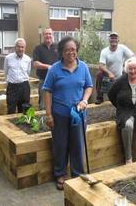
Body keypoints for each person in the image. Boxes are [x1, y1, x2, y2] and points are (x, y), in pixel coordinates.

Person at [43, 36, 93, 190]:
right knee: (60, 145)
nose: (71, 52)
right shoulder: (54, 69)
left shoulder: (83, 67)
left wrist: (84, 100)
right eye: (67, 50)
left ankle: (77, 174)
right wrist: (49, 114)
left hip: (78, 115)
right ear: (62, 52)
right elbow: (47, 91)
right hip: (59, 115)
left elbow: (89, 86)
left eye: (73, 49)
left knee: (78, 146)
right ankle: (60, 174)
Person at [95, 32, 134, 104]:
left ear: (118, 40)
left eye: (115, 38)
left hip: (119, 75)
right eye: (112, 38)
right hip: (108, 76)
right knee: (99, 74)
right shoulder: (104, 51)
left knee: (130, 75)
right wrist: (109, 73)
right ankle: (99, 97)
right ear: (109, 40)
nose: (114, 40)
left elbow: (132, 57)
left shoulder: (122, 48)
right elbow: (101, 65)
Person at [33, 28, 59, 110]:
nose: (48, 35)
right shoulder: (38, 48)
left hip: (57, 81)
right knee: (43, 105)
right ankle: (43, 121)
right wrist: (48, 67)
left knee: (57, 103)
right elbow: (35, 63)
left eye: (50, 34)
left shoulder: (58, 47)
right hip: (44, 81)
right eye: (46, 34)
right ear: (43, 35)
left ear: (52, 35)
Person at [4, 38, 31, 114]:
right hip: (12, 87)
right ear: (15, 47)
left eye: (22, 47)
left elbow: (28, 72)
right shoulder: (8, 58)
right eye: (18, 46)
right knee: (11, 109)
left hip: (24, 86)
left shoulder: (28, 59)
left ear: (24, 48)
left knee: (25, 110)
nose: (20, 49)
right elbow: (6, 72)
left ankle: (23, 125)